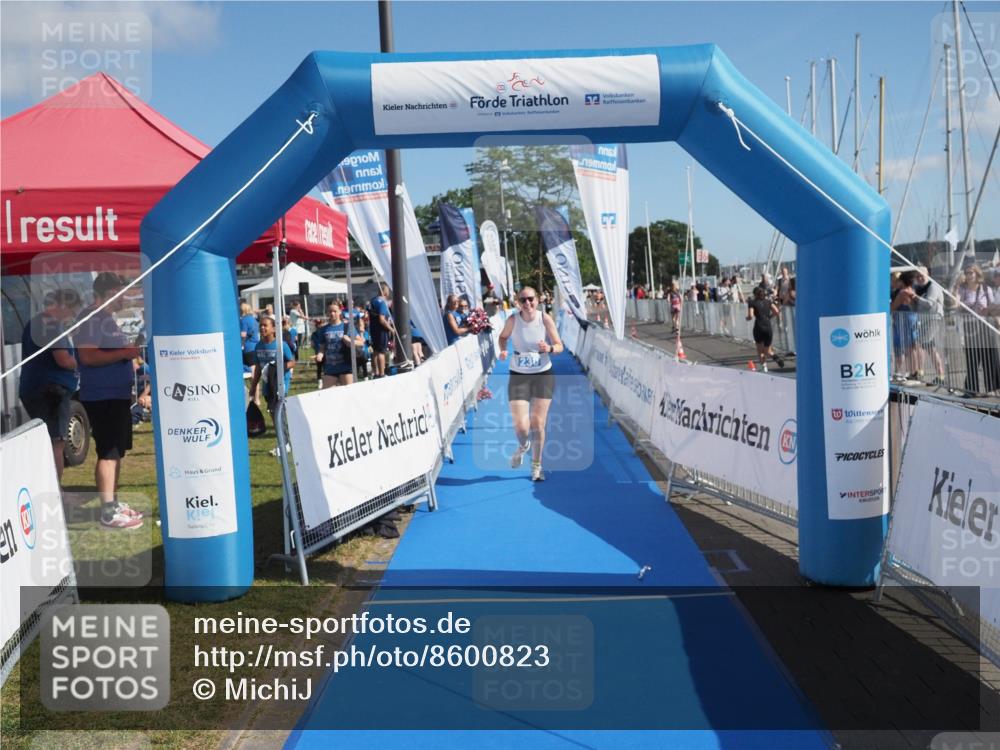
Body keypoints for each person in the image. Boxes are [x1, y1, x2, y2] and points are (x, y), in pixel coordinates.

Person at [74, 273, 144, 529]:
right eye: (120, 292)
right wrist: (125, 352)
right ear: (107, 293)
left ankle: (112, 504)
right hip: (102, 395)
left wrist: (127, 353)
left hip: (115, 394)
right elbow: (89, 357)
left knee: (115, 451)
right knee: (108, 451)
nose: (124, 298)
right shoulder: (92, 318)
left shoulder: (104, 319)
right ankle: (107, 511)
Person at [497, 287, 564, 482]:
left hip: (543, 374)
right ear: (518, 302)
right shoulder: (513, 320)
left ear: (537, 300)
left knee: (537, 424)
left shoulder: (545, 319)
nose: (527, 304)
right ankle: (523, 445)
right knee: (521, 427)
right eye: (523, 300)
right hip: (519, 375)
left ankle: (536, 466)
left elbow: (559, 345)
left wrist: (549, 348)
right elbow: (502, 337)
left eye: (531, 299)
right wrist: (502, 350)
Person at [18, 289, 82, 483]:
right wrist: (78, 361)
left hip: (36, 388)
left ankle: (49, 486)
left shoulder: (34, 323)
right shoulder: (52, 325)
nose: (72, 316)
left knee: (48, 440)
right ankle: (56, 491)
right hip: (51, 392)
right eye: (72, 311)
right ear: (63, 305)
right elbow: (62, 359)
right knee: (56, 442)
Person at [250, 316, 295, 455]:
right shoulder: (258, 346)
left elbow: (292, 362)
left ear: (273, 329)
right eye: (260, 326)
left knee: (278, 413)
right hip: (267, 386)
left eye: (265, 326)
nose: (262, 328)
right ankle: (285, 442)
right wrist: (253, 387)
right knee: (274, 415)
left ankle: (284, 445)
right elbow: (258, 368)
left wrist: (276, 368)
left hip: (280, 385)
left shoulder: (281, 345)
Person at [953, 265, 1000, 394]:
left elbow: (992, 307)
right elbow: (955, 304)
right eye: (966, 273)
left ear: (977, 274)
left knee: (989, 358)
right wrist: (956, 286)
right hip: (970, 327)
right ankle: (971, 389)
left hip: (985, 326)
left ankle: (992, 389)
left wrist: (998, 322)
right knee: (972, 358)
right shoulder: (962, 290)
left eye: (971, 272)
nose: (968, 275)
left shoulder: (986, 289)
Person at [313, 302, 362, 388]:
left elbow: (361, 342)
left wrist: (350, 341)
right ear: (327, 313)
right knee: (327, 396)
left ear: (340, 312)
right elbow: (322, 348)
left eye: (335, 311)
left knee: (349, 395)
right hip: (330, 368)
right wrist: (319, 355)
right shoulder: (323, 329)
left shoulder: (347, 326)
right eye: (330, 311)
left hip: (346, 367)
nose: (332, 313)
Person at [746, 286, 784, 372]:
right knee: (768, 350)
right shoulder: (769, 302)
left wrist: (747, 318)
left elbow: (751, 316)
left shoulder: (752, 302)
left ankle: (764, 367)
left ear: (755, 294)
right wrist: (769, 316)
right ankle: (775, 357)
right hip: (767, 326)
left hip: (759, 326)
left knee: (760, 350)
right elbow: (777, 312)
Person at [367, 282, 395, 378]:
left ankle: (376, 373)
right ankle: (382, 373)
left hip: (373, 329)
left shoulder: (372, 301)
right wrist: (391, 329)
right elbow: (382, 319)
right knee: (381, 352)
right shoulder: (382, 302)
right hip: (381, 331)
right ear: (385, 292)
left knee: (375, 351)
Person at [239, 302, 260, 371]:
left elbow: (243, 334)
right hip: (256, 346)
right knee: (254, 370)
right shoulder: (254, 319)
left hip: (248, 347)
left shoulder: (244, 320)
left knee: (252, 370)